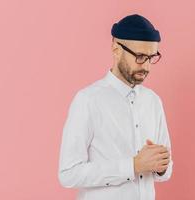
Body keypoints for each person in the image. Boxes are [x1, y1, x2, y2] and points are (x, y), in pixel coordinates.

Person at [58, 13, 173, 200]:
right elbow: (68, 173)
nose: (147, 67)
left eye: (152, 57)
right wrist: (133, 166)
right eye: (140, 56)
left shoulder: (153, 102)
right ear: (116, 49)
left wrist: (160, 165)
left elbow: (166, 171)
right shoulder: (88, 100)